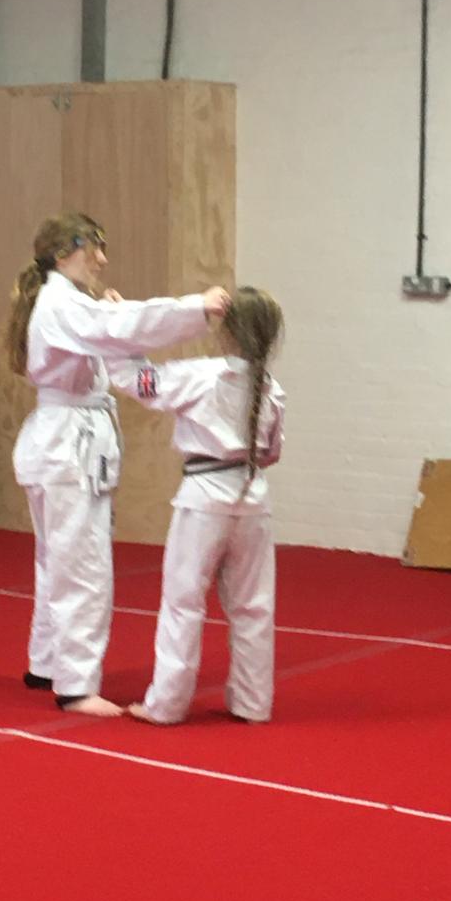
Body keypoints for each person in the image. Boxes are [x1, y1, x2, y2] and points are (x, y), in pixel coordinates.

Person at [8, 211, 231, 717]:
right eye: (95, 249)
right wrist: (196, 307)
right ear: (64, 253)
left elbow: (115, 330)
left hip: (57, 444)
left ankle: (47, 663)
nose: (103, 261)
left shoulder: (63, 304)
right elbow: (126, 325)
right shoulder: (63, 304)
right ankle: (76, 685)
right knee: (83, 567)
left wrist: (113, 316)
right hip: (67, 448)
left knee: (56, 561)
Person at [107, 285, 286, 724]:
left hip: (204, 498)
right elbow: (271, 453)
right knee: (253, 607)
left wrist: (121, 332)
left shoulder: (200, 375)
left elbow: (136, 381)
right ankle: (253, 702)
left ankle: (167, 704)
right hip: (252, 499)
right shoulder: (273, 389)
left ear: (226, 332)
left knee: (183, 603)